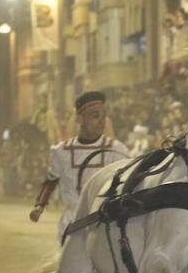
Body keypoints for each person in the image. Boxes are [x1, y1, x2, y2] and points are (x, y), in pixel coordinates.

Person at [31, 91, 133, 242]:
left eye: (104, 116)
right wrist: (40, 206)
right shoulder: (61, 151)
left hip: (104, 221)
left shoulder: (117, 150)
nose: (101, 121)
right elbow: (51, 180)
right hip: (72, 222)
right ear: (79, 118)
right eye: (95, 116)